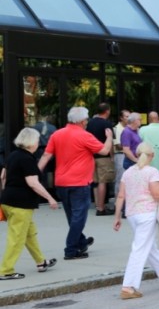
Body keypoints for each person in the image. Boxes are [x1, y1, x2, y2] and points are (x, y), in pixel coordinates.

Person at [38, 106, 113, 260]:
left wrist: (35, 172)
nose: (87, 122)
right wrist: (110, 137)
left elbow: (46, 155)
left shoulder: (57, 134)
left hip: (61, 181)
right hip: (79, 182)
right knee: (79, 217)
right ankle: (71, 249)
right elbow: (104, 151)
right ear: (80, 121)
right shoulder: (85, 135)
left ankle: (81, 241)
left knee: (72, 216)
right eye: (86, 120)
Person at [112, 142, 159, 299]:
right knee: (140, 249)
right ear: (152, 156)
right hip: (147, 213)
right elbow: (157, 195)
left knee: (148, 245)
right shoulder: (152, 172)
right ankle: (128, 286)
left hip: (132, 214)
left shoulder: (128, 172)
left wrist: (117, 216)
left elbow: (121, 195)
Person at [1, 128, 60, 280]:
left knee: (29, 234)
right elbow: (33, 183)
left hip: (9, 200)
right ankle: (6, 270)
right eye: (37, 140)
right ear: (31, 142)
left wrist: (6, 193)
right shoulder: (27, 159)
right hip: (21, 204)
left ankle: (41, 262)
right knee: (17, 238)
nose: (38, 143)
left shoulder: (13, 155)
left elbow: (3, 177)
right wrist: (50, 198)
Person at [85, 103, 116, 216]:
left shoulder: (89, 123)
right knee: (103, 181)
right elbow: (110, 141)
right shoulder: (107, 124)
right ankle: (101, 208)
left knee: (95, 181)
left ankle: (98, 204)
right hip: (103, 156)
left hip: (91, 156)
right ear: (107, 111)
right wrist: (111, 156)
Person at [139, 112, 159, 177]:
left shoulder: (142, 130)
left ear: (149, 119)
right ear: (158, 119)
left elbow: (138, 147)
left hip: (146, 165)